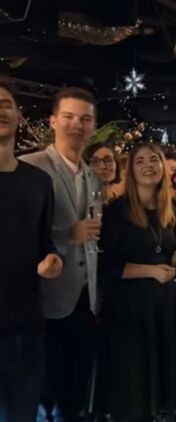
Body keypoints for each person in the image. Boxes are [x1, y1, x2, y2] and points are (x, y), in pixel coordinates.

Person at [93, 143, 176, 421]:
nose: (148, 166)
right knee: (134, 393)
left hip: (163, 308)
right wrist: (151, 271)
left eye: (154, 160)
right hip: (132, 312)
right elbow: (107, 266)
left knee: (160, 397)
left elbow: (163, 257)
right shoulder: (117, 211)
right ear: (131, 171)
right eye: (140, 161)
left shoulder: (168, 211)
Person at [20, 87, 101, 422]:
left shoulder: (92, 175)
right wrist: (68, 236)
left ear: (93, 126)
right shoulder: (29, 167)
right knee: (44, 390)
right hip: (45, 298)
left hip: (85, 298)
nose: (77, 125)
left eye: (85, 119)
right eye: (68, 117)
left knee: (75, 386)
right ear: (53, 121)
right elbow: (17, 235)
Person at [0, 80, 62, 422]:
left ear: (18, 114)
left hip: (25, 326)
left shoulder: (38, 182)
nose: (1, 110)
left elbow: (45, 243)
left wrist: (52, 260)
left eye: (6, 104)